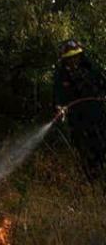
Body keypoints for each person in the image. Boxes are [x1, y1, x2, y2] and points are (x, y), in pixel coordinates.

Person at [54, 39, 106, 181]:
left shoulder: (91, 69)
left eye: (75, 56)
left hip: (97, 116)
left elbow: (103, 83)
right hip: (78, 121)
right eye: (70, 58)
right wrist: (60, 108)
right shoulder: (61, 75)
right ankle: (91, 180)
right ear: (65, 59)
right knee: (85, 152)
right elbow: (58, 96)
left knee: (101, 146)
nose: (73, 60)